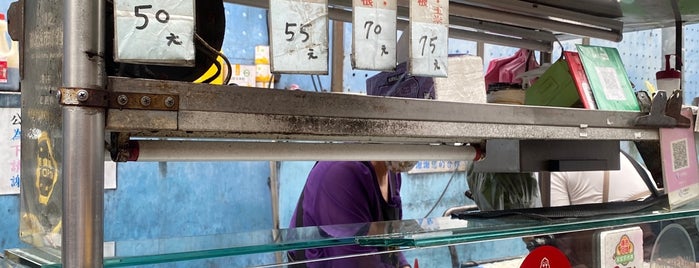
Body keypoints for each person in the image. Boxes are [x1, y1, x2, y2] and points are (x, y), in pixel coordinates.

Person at [288, 161, 415, 268]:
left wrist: (403, 265)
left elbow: (391, 238)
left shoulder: (391, 172)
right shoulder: (340, 174)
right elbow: (353, 260)